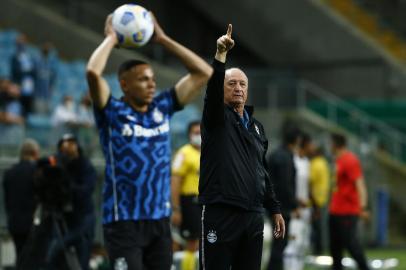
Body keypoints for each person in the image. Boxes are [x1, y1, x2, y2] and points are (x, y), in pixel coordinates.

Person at [86, 12, 212, 269]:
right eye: (143, 79)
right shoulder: (112, 113)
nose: (152, 84)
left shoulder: (162, 107)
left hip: (159, 221)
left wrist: (164, 40)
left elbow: (204, 72)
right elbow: (92, 73)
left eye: (153, 79)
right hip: (123, 222)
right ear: (124, 85)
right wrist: (111, 38)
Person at [198, 24, 284, 270]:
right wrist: (220, 56)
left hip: (254, 216)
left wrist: (274, 208)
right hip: (221, 212)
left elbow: (262, 171)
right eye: (231, 83)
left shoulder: (256, 127)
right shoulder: (216, 119)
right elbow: (212, 94)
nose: (238, 88)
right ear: (222, 89)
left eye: (242, 84)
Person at [329, 133, 370, 270]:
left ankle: (364, 267)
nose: (330, 146)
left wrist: (363, 207)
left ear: (336, 144)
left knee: (352, 245)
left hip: (347, 211)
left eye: (331, 143)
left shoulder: (350, 160)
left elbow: (360, 184)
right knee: (335, 248)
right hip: (335, 210)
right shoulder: (338, 160)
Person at [266, 125, 301, 270]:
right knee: (280, 244)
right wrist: (294, 205)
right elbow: (285, 185)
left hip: (272, 204)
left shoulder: (275, 154)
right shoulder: (286, 157)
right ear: (296, 140)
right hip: (281, 208)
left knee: (278, 243)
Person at [2, 139, 40, 265]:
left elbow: (7, 200)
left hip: (14, 222)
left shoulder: (9, 173)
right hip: (31, 222)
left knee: (20, 254)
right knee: (31, 258)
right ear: (35, 153)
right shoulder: (36, 171)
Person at [171, 120, 201, 270]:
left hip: (204, 203)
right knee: (191, 242)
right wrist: (176, 208)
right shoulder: (184, 153)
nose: (199, 136)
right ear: (189, 135)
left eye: (201, 132)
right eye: (196, 133)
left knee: (203, 243)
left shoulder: (208, 153)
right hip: (189, 202)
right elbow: (175, 181)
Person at [284, 132, 312, 270]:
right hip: (294, 208)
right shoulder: (292, 160)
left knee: (303, 245)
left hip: (306, 209)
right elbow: (288, 185)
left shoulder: (306, 162)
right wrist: (295, 204)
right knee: (293, 244)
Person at [309, 143, 330, 255]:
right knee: (320, 228)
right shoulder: (324, 163)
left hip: (315, 202)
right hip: (323, 200)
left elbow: (310, 183)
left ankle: (317, 251)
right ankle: (320, 250)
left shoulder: (314, 164)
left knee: (316, 228)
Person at [10, 34, 36, 116]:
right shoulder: (14, 57)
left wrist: (27, 71)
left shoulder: (29, 57)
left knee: (28, 112)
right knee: (19, 112)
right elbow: (16, 72)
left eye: (23, 43)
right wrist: (27, 71)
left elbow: (34, 72)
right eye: (20, 43)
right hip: (19, 88)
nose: (22, 45)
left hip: (29, 89)